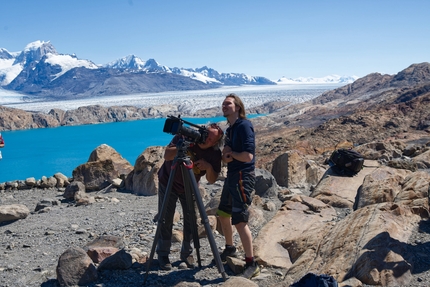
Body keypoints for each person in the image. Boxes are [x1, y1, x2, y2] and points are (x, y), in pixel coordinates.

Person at [156, 123, 224, 271]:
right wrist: (184, 146)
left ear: (216, 143)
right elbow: (167, 155)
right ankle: (163, 254)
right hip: (168, 181)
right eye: (206, 134)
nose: (206, 139)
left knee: (191, 218)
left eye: (211, 138)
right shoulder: (186, 136)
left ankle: (187, 254)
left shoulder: (214, 154)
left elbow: (212, 179)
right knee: (165, 217)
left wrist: (209, 167)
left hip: (190, 186)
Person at [216, 93, 260, 279]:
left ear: (238, 107)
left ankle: (252, 263)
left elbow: (248, 156)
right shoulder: (230, 129)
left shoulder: (243, 126)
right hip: (232, 175)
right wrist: (228, 155)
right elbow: (226, 155)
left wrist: (231, 154)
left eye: (228, 104)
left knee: (240, 220)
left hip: (243, 176)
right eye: (223, 104)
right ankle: (230, 248)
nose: (224, 106)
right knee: (223, 213)